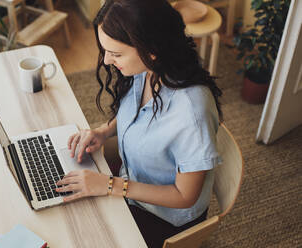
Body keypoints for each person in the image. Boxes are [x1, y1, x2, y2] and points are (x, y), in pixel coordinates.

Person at [56, 0, 223, 247]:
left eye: (116, 54)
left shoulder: (191, 112)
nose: (106, 61)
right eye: (105, 51)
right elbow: (136, 111)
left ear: (151, 49)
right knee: (66, 216)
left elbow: (185, 196)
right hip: (130, 185)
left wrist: (111, 185)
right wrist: (104, 131)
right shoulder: (147, 69)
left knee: (83, 234)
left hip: (165, 217)